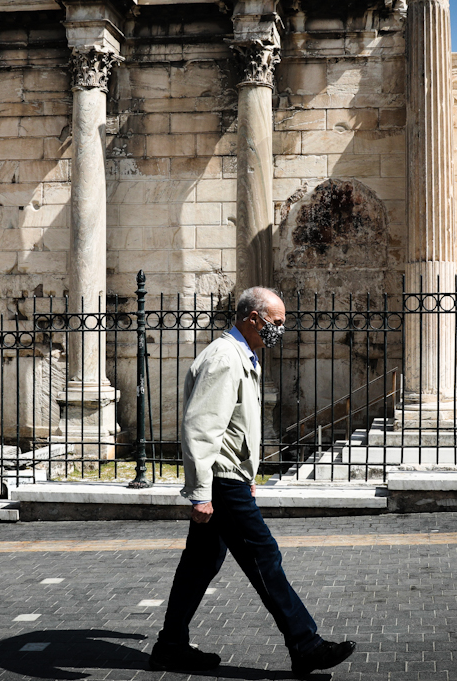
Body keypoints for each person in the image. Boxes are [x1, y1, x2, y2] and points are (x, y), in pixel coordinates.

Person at [149, 286, 356, 677]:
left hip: (230, 479)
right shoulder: (226, 359)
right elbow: (201, 428)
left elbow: (234, 428)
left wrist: (247, 475)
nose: (281, 329)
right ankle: (306, 645)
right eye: (276, 322)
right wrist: (200, 494)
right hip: (220, 483)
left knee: (200, 564)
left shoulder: (242, 355)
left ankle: (170, 646)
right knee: (264, 557)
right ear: (253, 318)